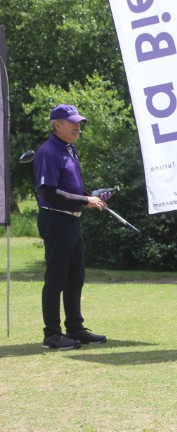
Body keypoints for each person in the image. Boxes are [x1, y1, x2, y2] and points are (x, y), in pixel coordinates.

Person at [34, 104, 109, 350]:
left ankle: (75, 329)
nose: (78, 126)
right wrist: (86, 201)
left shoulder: (70, 149)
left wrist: (92, 196)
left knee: (75, 277)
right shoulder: (48, 152)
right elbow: (49, 192)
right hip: (56, 220)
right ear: (57, 124)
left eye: (79, 122)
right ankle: (52, 335)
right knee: (56, 278)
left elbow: (72, 187)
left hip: (72, 221)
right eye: (73, 122)